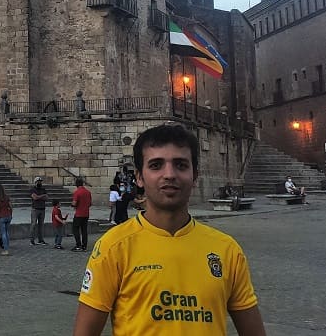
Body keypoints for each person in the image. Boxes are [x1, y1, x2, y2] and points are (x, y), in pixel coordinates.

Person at [72, 124, 266, 336]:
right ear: (139, 177)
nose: (169, 174)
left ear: (195, 176)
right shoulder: (113, 247)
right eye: (156, 165)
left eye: (181, 165)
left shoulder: (227, 250)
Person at [70, 177, 92, 252]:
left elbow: (74, 203)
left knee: (75, 229)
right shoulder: (88, 192)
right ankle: (84, 246)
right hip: (86, 214)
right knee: (84, 230)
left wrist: (73, 205)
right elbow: (90, 204)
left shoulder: (77, 192)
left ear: (76, 184)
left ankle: (78, 245)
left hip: (79, 214)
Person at [0, 183, 13, 256]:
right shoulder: (7, 197)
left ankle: (6, 250)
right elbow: (11, 206)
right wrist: (11, 214)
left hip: (1, 217)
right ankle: (7, 247)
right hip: (8, 216)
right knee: (7, 232)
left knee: (3, 233)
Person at [29, 177, 48, 245]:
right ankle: (32, 240)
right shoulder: (32, 189)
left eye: (40, 181)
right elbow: (34, 197)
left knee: (41, 225)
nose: (40, 182)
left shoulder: (43, 189)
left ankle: (41, 240)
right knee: (33, 224)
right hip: (35, 209)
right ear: (35, 182)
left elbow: (46, 198)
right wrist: (42, 196)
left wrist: (38, 196)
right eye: (38, 181)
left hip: (42, 209)